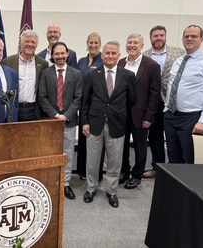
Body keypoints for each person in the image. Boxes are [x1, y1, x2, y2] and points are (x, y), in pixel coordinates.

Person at [81, 41, 136, 208]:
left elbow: (132, 100)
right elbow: (85, 101)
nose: (110, 56)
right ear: (102, 55)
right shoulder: (92, 74)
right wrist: (84, 122)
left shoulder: (128, 75)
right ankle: (91, 188)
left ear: (119, 56)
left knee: (114, 161)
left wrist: (119, 113)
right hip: (94, 123)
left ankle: (111, 191)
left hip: (117, 124)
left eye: (114, 53)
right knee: (92, 160)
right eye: (107, 53)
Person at [164, 25, 203, 164]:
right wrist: (166, 109)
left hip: (191, 119)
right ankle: (174, 186)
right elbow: (172, 87)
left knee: (190, 159)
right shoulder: (178, 61)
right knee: (173, 158)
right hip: (171, 116)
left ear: (201, 39)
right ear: (183, 39)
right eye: (187, 36)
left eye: (194, 36)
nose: (189, 39)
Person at [38, 42, 82, 200]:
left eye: (62, 53)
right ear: (52, 55)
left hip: (68, 121)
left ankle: (65, 183)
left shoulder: (76, 74)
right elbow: (41, 97)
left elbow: (78, 98)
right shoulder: (45, 73)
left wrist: (66, 115)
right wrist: (56, 115)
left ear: (67, 54)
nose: (60, 56)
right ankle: (50, 182)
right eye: (57, 54)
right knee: (49, 153)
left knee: (68, 153)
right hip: (50, 122)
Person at [118, 34, 161, 189]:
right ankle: (124, 171)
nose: (132, 45)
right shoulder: (121, 62)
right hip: (122, 113)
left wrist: (149, 116)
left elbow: (155, 94)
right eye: (129, 42)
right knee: (121, 145)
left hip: (141, 114)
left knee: (140, 147)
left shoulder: (151, 66)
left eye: (136, 43)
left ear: (142, 46)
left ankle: (137, 175)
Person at [142, 25, 185, 178]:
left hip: (174, 102)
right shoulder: (144, 55)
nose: (158, 38)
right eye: (155, 36)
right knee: (155, 137)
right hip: (154, 102)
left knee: (174, 136)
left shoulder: (179, 53)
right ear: (150, 38)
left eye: (161, 35)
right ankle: (157, 167)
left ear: (165, 36)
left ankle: (177, 170)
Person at [2, 30, 48, 121]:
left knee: (34, 135)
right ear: (20, 43)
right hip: (14, 109)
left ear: (36, 45)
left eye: (33, 42)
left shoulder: (43, 63)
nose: (30, 44)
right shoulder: (7, 62)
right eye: (27, 41)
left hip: (34, 110)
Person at [76, 32, 104, 180]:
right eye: (90, 43)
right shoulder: (81, 61)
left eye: (96, 43)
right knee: (82, 139)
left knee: (95, 142)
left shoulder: (103, 61)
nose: (93, 45)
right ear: (86, 44)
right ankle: (82, 171)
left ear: (100, 45)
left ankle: (95, 174)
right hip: (82, 105)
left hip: (96, 107)